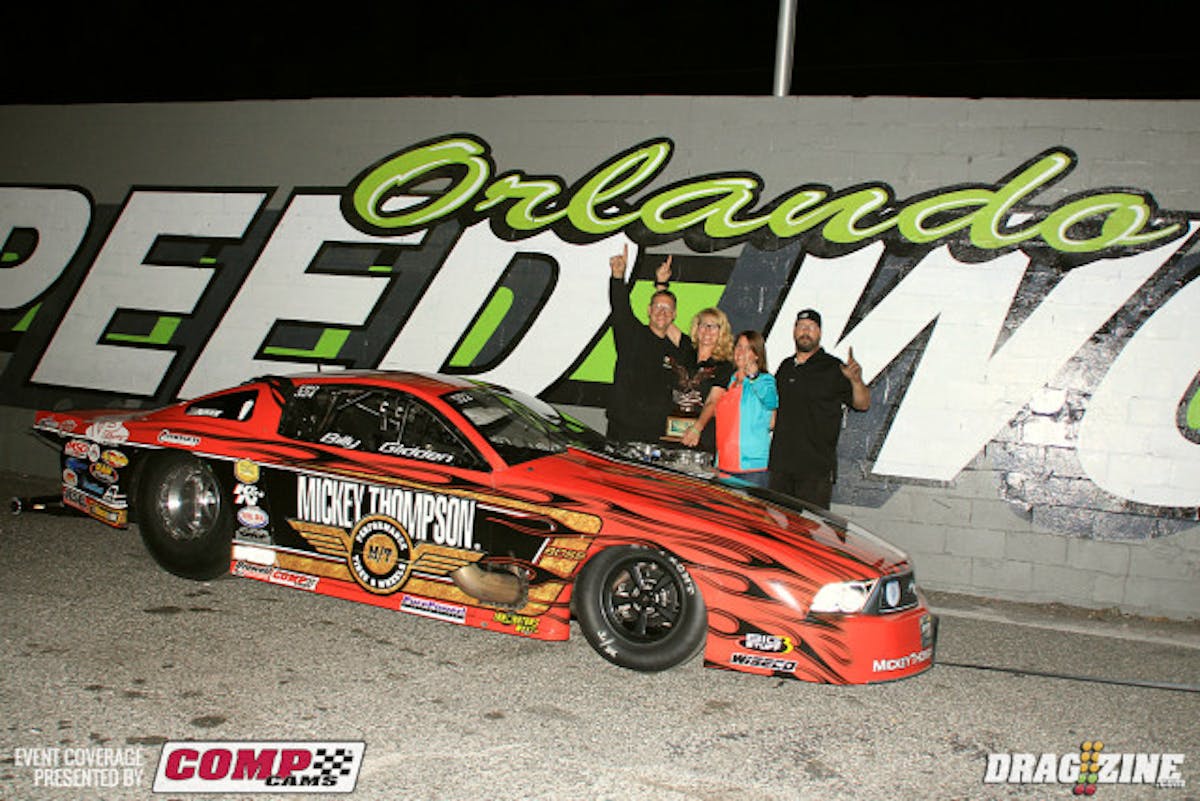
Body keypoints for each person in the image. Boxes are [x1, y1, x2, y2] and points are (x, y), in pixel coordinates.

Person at [769, 308, 869, 508]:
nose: (805, 332)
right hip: (781, 465)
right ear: (794, 331)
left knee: (810, 532)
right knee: (777, 532)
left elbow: (862, 404)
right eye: (801, 327)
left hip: (815, 469)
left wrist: (856, 381)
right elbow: (774, 409)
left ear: (820, 333)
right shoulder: (785, 366)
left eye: (811, 327)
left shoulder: (834, 368)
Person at [605, 245, 695, 443]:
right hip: (622, 432)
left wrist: (661, 286)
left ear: (675, 314)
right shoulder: (631, 334)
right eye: (657, 307)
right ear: (648, 310)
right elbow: (620, 307)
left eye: (667, 309)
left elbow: (687, 344)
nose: (662, 312)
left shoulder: (678, 348)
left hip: (657, 434)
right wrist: (618, 276)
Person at [708, 330, 778, 486]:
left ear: (757, 355)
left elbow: (771, 401)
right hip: (724, 465)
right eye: (739, 346)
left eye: (748, 348)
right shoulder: (730, 381)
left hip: (751, 469)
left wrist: (754, 377)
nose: (741, 352)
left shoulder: (765, 379)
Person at [676, 307, 734, 456]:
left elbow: (713, 401)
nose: (707, 330)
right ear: (697, 328)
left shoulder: (724, 365)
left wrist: (697, 429)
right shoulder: (685, 352)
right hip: (674, 433)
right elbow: (663, 323)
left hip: (703, 437)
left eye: (713, 326)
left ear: (722, 332)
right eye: (703, 324)